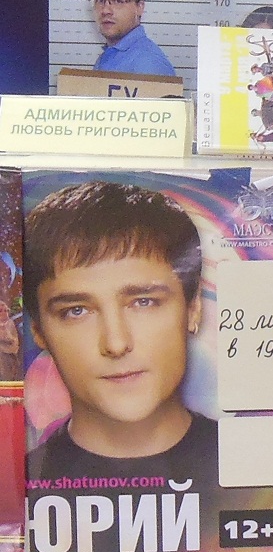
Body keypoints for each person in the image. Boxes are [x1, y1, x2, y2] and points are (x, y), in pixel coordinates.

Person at [23, 180, 216, 487]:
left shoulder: (266, 475)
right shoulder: (14, 490)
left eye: (143, 302)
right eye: (77, 311)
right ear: (39, 331)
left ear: (192, 309)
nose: (116, 343)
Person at [89, 0, 176, 77]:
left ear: (139, 7)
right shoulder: (109, 56)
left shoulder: (148, 64)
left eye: (117, 1)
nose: (105, 10)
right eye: (100, 0)